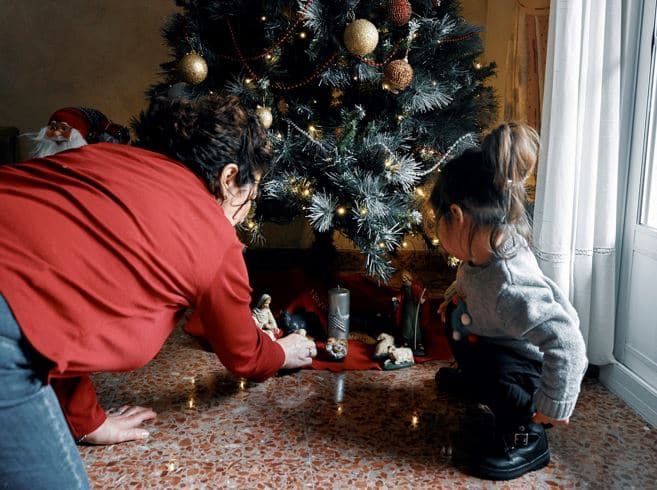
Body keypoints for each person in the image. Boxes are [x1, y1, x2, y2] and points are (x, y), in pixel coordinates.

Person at [0, 93, 317, 489]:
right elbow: (243, 354)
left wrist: (88, 421)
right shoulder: (213, 235)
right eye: (251, 194)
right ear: (230, 178)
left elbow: (51, 301)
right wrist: (282, 352)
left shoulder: (103, 158)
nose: (248, 210)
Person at [429, 122, 588, 481]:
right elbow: (469, 280)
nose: (437, 234)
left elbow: (568, 341)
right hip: (491, 339)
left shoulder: (512, 284)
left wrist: (554, 401)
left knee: (496, 373)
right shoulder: (481, 249)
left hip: (527, 371)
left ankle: (526, 436)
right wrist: (455, 297)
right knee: (456, 320)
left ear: (456, 216)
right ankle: (476, 379)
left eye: (437, 222)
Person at [26, 106, 130, 158]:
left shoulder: (99, 122)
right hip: (73, 123)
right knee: (77, 157)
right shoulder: (104, 125)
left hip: (61, 118)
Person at [392, 270, 428, 356]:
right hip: (407, 307)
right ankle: (406, 341)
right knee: (407, 323)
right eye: (402, 278)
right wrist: (397, 299)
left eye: (405, 277)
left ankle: (418, 342)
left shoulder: (415, 286)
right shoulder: (404, 287)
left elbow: (421, 295)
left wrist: (422, 300)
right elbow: (401, 295)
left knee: (415, 324)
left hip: (414, 307)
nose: (403, 279)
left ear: (408, 277)